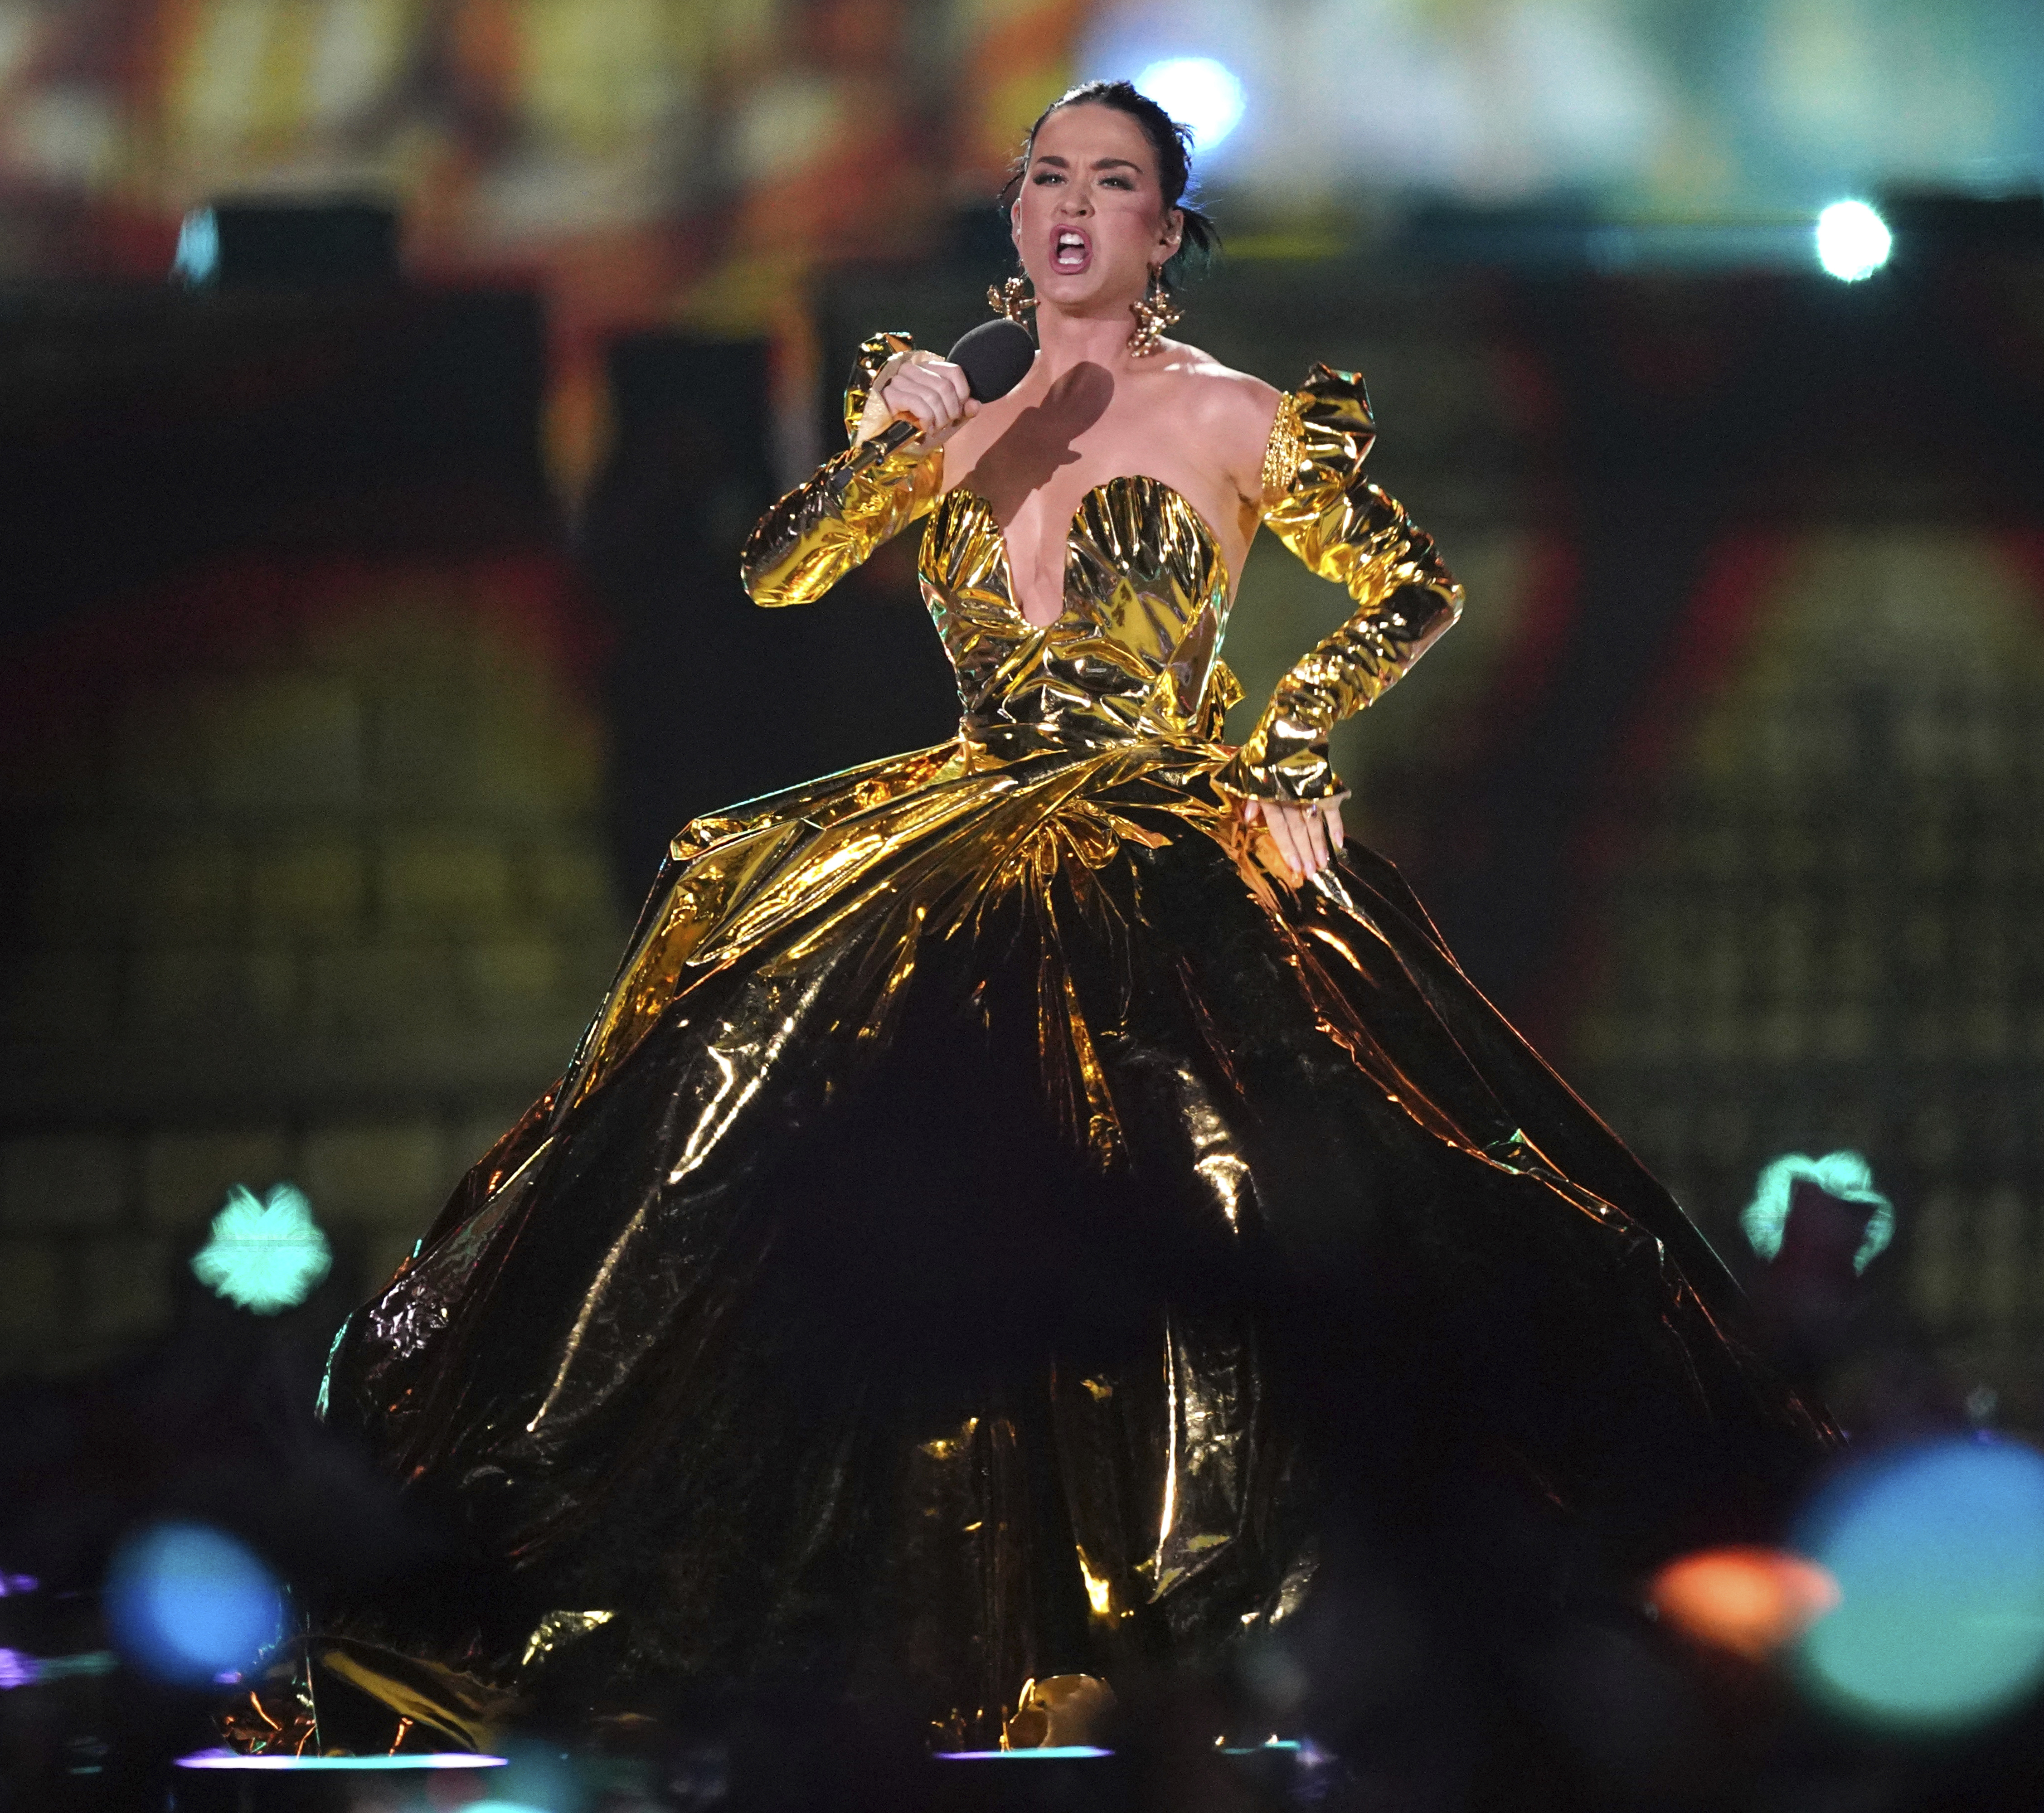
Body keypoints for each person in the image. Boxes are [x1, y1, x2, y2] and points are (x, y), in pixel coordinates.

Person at [255, 81, 1824, 1758]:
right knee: (756, 1141)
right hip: (965, 812)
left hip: (1162, 827)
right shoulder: (954, 421)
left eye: (1116, 181)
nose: (1074, 204)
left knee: (1221, 1167)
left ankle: (1240, 1616)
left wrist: (1289, 747)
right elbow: (777, 577)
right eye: (1046, 177)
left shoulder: (1235, 415)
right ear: (1016, 222)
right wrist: (889, 454)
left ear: (1164, 230)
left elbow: (1412, 586)